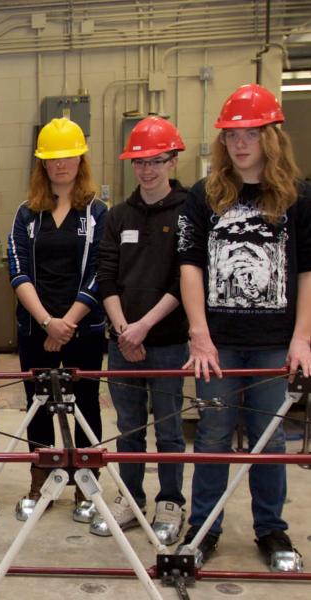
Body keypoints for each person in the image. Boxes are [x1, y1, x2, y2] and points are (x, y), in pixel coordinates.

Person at [176, 83, 311, 572]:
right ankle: (203, 527)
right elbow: (189, 264)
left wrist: (302, 336)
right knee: (211, 436)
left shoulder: (298, 197)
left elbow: (306, 270)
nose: (239, 142)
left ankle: (271, 530)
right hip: (219, 344)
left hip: (275, 342)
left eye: (250, 132)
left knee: (268, 441)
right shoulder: (203, 196)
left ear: (270, 136)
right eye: (232, 133)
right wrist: (199, 333)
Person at [92, 117, 189, 543]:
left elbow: (184, 280)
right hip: (123, 341)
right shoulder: (118, 216)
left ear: (171, 160)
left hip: (167, 341)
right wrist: (122, 329)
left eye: (156, 161)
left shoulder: (189, 211)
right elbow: (107, 276)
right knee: (129, 426)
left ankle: (170, 502)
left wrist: (144, 327)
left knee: (168, 429)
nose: (147, 170)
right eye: (140, 162)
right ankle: (130, 499)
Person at [8, 118, 107, 523]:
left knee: (85, 404)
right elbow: (18, 270)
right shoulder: (26, 213)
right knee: (40, 404)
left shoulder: (99, 212)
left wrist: (68, 322)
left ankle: (87, 483)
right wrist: (49, 322)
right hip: (36, 327)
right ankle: (42, 479)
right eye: (52, 158)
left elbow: (102, 270)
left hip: (83, 328)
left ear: (80, 159)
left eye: (67, 156)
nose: (60, 164)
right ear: (42, 165)